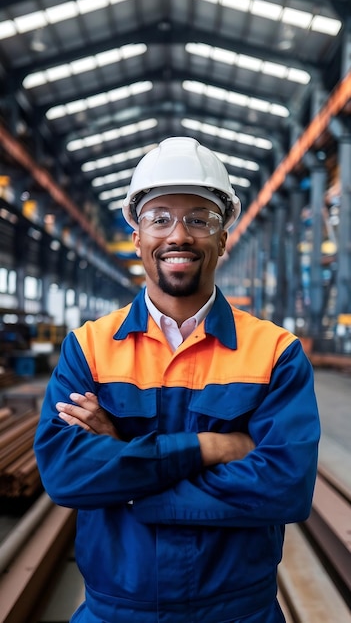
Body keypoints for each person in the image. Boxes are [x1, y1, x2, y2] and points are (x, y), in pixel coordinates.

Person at [34, 136, 320, 623]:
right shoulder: (88, 347)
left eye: (199, 219)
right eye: (159, 217)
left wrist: (126, 472)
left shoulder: (275, 353)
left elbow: (284, 487)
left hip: (238, 612)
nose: (178, 235)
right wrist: (210, 449)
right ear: (137, 236)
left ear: (224, 237)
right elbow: (66, 474)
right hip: (115, 611)